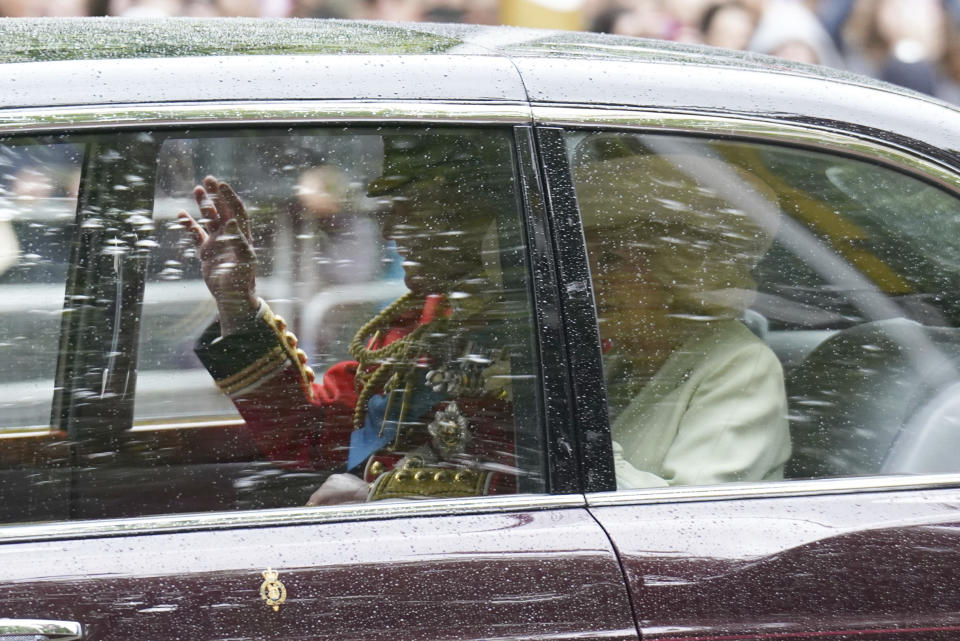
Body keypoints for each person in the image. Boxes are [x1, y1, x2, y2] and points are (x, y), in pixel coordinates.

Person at [178, 133, 522, 504]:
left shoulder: (550, 335)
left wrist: (380, 495)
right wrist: (237, 302)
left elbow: (545, 481)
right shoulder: (416, 326)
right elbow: (312, 438)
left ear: (477, 213)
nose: (390, 232)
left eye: (411, 209)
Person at [572, 138, 791, 488]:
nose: (591, 281)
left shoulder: (742, 366)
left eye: (612, 261)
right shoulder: (623, 361)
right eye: (586, 263)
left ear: (674, 270)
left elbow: (692, 518)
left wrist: (583, 451)